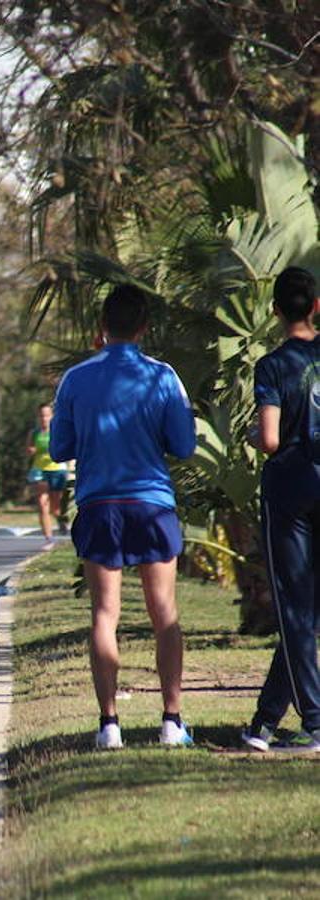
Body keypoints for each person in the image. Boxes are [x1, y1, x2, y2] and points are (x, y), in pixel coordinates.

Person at [50, 284, 197, 750]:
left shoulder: (74, 379)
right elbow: (185, 445)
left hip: (99, 505)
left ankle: (109, 725)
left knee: (104, 614)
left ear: (101, 328)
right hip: (152, 504)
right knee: (164, 613)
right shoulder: (162, 376)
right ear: (144, 327)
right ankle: (172, 721)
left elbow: (58, 449)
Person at [242, 267, 320, 753]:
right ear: (316, 307)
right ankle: (264, 723)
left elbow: (269, 439)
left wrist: (254, 436)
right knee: (306, 613)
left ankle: (314, 721)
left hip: (289, 490)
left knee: (294, 608)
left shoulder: (272, 366)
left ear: (275, 311)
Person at [27, 403, 67, 550]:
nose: (44, 418)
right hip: (39, 470)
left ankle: (61, 520)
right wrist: (31, 450)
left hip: (57, 469)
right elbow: (29, 449)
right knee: (43, 505)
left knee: (55, 508)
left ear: (52, 416)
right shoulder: (35, 433)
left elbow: (65, 448)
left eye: (47, 415)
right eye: (41, 415)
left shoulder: (58, 431)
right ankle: (48, 538)